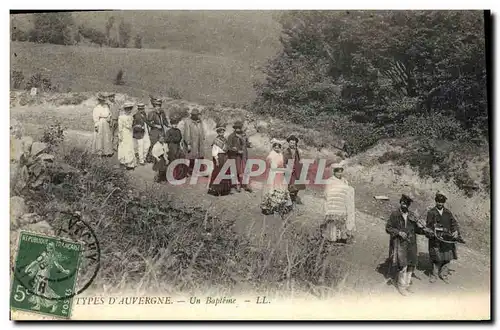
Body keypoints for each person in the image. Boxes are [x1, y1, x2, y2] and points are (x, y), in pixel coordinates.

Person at [385, 194, 429, 296]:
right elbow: (388, 228)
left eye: (407, 203)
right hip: (400, 243)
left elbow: (417, 230)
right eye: (403, 202)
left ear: (409, 205)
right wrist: (399, 232)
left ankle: (407, 285)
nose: (404, 204)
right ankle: (401, 286)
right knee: (403, 265)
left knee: (411, 265)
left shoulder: (412, 216)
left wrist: (424, 229)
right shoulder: (395, 214)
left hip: (411, 243)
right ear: (400, 202)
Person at [425, 191, 461, 283]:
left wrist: (456, 231)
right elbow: (428, 226)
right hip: (436, 239)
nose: (440, 204)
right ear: (435, 201)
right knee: (436, 258)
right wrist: (431, 232)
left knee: (447, 257)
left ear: (444, 202)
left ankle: (444, 274)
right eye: (438, 202)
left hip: (446, 239)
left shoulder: (448, 212)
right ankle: (434, 275)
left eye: (441, 202)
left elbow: (454, 223)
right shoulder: (431, 212)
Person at [24, 241, 70, 312]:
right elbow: (36, 261)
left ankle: (50, 303)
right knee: (42, 289)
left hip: (44, 275)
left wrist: (64, 270)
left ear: (53, 249)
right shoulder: (44, 255)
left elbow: (58, 265)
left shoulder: (52, 257)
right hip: (40, 273)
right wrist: (28, 268)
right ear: (47, 247)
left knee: (40, 290)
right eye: (48, 247)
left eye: (51, 247)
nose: (49, 248)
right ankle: (49, 303)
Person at [322, 162, 356, 245]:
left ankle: (341, 237)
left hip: (342, 204)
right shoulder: (330, 181)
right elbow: (327, 193)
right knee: (333, 222)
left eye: (341, 171)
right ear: (334, 172)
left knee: (341, 221)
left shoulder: (345, 181)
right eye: (337, 171)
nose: (339, 173)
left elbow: (347, 193)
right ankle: (332, 238)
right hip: (333, 203)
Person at [226, 121, 252, 193]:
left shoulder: (244, 135)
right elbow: (228, 147)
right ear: (234, 128)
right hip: (235, 156)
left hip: (244, 155)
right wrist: (237, 151)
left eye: (239, 127)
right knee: (237, 170)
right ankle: (237, 185)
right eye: (236, 127)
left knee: (245, 169)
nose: (238, 129)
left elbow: (246, 143)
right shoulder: (231, 136)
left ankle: (245, 184)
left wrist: (249, 144)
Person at [208, 124, 232, 196]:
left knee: (225, 172)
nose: (222, 133)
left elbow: (227, 149)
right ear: (218, 133)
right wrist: (217, 160)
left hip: (225, 157)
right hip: (219, 157)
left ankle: (224, 190)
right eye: (220, 132)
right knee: (218, 172)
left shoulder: (225, 140)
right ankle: (215, 190)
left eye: (223, 132)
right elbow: (214, 152)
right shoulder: (216, 141)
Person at [283, 134, 305, 205]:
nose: (292, 144)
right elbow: (284, 161)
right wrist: (287, 168)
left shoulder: (297, 151)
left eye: (294, 143)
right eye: (291, 142)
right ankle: (288, 198)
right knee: (290, 183)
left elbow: (299, 159)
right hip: (289, 169)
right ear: (288, 143)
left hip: (296, 169)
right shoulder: (286, 151)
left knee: (298, 183)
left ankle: (294, 196)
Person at [182, 108, 205, 176]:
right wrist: (188, 143)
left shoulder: (200, 121)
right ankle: (189, 171)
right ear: (192, 115)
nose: (196, 116)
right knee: (191, 157)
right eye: (194, 115)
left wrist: (203, 137)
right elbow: (187, 133)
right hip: (192, 142)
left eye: (197, 115)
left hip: (199, 141)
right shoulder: (188, 122)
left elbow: (202, 129)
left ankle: (201, 170)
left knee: (200, 155)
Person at [164, 114, 188, 180]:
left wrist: (172, 139)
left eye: (175, 124)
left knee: (178, 160)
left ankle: (177, 175)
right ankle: (170, 175)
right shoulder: (168, 131)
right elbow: (166, 140)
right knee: (171, 160)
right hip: (171, 148)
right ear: (171, 125)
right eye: (173, 124)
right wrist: (173, 139)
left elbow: (179, 139)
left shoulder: (178, 131)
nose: (174, 125)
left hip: (177, 147)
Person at [147, 97, 169, 162]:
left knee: (161, 143)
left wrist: (168, 125)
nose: (158, 107)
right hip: (154, 131)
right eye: (156, 106)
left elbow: (165, 120)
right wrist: (155, 125)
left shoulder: (162, 112)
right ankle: (150, 157)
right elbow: (149, 122)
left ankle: (160, 156)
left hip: (161, 130)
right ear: (154, 106)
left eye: (159, 105)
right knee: (153, 144)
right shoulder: (151, 113)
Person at [117, 102, 137, 170]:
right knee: (124, 147)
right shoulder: (121, 117)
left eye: (129, 109)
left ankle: (130, 163)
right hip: (124, 133)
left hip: (129, 133)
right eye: (127, 109)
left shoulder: (131, 117)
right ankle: (123, 162)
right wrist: (120, 135)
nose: (128, 110)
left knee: (129, 147)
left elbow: (131, 125)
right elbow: (120, 128)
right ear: (124, 109)